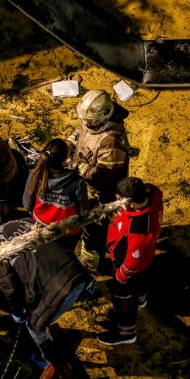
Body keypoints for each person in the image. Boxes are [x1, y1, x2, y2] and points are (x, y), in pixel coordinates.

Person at [0, 206, 89, 360]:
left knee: (34, 327)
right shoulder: (24, 221)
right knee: (43, 310)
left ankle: (49, 360)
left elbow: (9, 287)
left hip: (62, 289)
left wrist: (17, 313)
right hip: (77, 272)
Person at [66, 89, 130, 274]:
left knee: (94, 231)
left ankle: (91, 265)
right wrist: (67, 144)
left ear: (105, 115)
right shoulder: (92, 121)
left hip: (101, 195)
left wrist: (74, 164)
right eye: (84, 118)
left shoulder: (112, 140)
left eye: (90, 120)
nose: (86, 122)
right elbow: (79, 132)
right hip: (86, 188)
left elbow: (101, 176)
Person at [97, 177, 163, 345]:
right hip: (146, 259)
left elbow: (133, 260)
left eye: (120, 198)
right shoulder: (153, 193)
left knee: (123, 296)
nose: (117, 200)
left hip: (127, 263)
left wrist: (121, 274)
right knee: (142, 278)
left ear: (131, 203)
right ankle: (141, 298)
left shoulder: (138, 228)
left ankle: (126, 332)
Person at [22, 138, 88, 251]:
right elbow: (84, 212)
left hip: (40, 227)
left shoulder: (35, 174)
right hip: (67, 232)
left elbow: (27, 204)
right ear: (65, 159)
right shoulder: (77, 182)